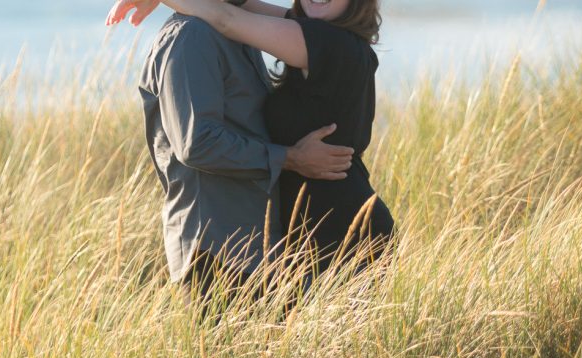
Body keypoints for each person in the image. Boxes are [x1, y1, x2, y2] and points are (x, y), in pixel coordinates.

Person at [108, 0, 395, 277]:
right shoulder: (304, 31)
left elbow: (228, 18)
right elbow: (239, 6)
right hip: (300, 236)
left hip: (343, 228)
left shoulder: (328, 43)